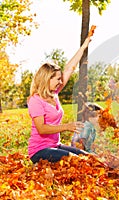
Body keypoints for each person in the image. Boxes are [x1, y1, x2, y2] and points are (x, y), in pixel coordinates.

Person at [27, 35, 92, 164]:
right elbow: (42, 129)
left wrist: (85, 45)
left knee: (87, 157)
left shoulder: (54, 94)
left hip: (55, 146)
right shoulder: (35, 100)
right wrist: (67, 126)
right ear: (47, 79)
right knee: (76, 161)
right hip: (39, 151)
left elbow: (70, 68)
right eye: (57, 79)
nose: (61, 82)